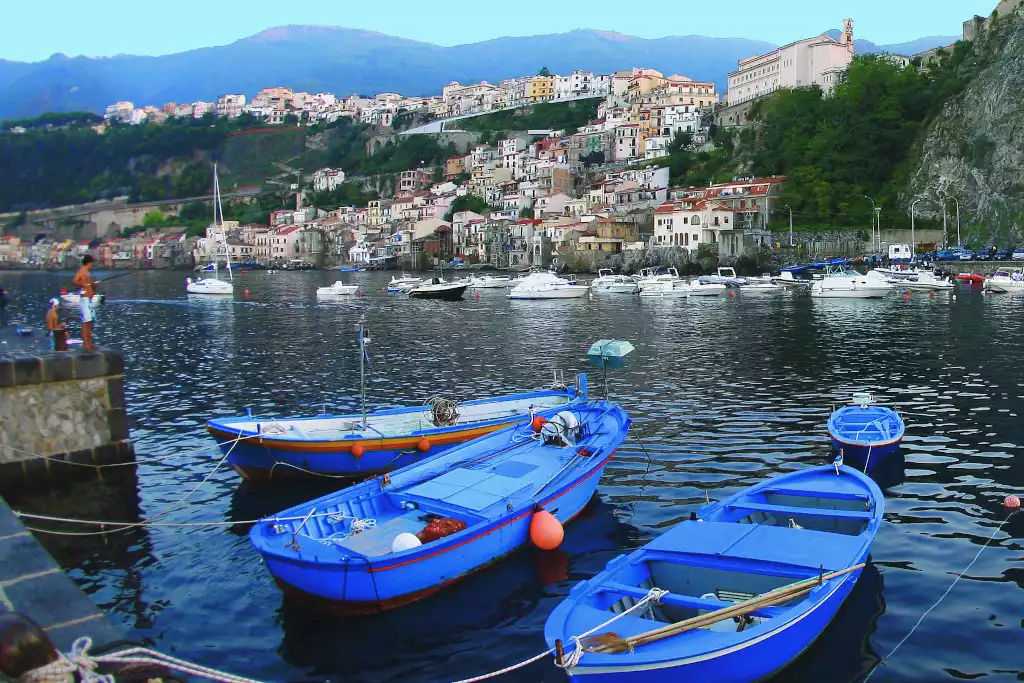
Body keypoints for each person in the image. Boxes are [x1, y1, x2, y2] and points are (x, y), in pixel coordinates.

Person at [71, 255, 98, 352]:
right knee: (86, 323)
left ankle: (90, 342)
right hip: (85, 300)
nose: (92, 265)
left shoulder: (87, 273)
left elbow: (91, 285)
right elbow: (74, 281)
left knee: (90, 322)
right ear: (89, 262)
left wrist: (94, 285)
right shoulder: (82, 271)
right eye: (92, 263)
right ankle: (85, 344)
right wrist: (83, 284)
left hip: (89, 300)